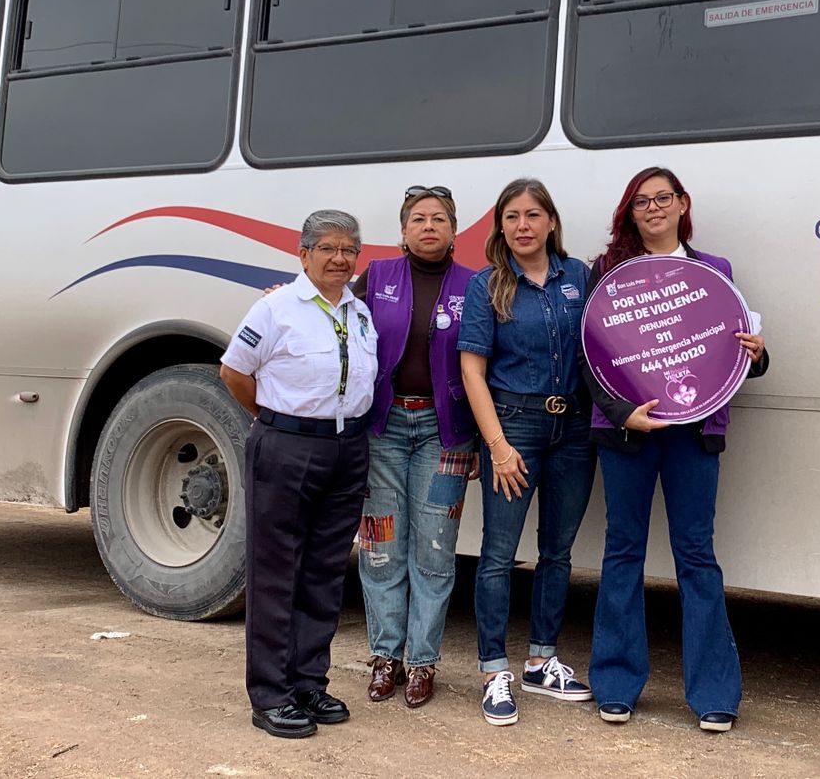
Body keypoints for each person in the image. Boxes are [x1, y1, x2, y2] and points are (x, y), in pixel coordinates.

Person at [583, 167, 769, 733]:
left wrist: (756, 354)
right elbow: (590, 356)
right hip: (628, 432)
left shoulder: (717, 272)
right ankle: (615, 685)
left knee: (696, 558)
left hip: (694, 432)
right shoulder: (609, 271)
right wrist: (622, 414)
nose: (654, 208)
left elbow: (734, 360)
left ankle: (714, 693)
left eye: (663, 198)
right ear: (630, 213)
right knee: (622, 553)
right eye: (642, 202)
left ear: (683, 204)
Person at [220, 210, 378, 740]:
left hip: (347, 447)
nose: (340, 259)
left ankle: (309, 681)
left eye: (348, 250)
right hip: (286, 446)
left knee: (326, 570)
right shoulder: (274, 308)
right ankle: (270, 694)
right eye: (328, 248)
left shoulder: (359, 312)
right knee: (275, 570)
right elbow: (234, 373)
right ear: (303, 253)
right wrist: (273, 419)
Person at [457, 177, 595, 726]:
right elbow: (472, 370)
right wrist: (497, 446)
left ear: (551, 222)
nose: (522, 226)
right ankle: (494, 671)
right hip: (514, 428)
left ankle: (542, 660)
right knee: (498, 555)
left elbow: (610, 344)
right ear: (501, 227)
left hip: (575, 432)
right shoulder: (488, 286)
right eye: (511, 217)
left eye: (532, 215)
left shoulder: (580, 277)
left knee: (557, 553)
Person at [352, 186, 477, 709]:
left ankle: (422, 662)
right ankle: (385, 658)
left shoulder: (476, 286)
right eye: (419, 219)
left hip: (443, 433)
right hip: (382, 429)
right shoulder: (375, 278)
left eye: (440, 219)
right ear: (403, 231)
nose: (430, 226)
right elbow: (332, 321)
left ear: (453, 230)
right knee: (381, 548)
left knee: (433, 551)